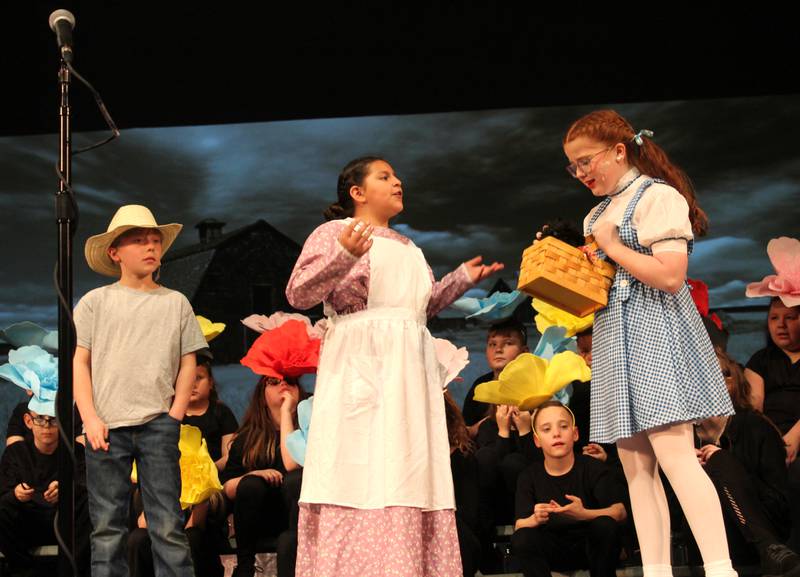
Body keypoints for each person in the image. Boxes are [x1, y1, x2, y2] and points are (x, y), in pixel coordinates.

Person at [286, 156, 503, 576]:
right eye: (385, 176)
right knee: (359, 471)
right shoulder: (334, 233)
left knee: (408, 467)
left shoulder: (408, 247)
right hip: (362, 367)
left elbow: (416, 311)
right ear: (357, 192)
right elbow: (298, 293)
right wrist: (343, 256)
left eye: (397, 176)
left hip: (408, 372)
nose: (398, 182)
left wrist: (459, 280)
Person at [562, 110, 736, 577]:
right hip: (616, 340)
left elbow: (672, 275)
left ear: (619, 151)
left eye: (586, 161)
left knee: (676, 458)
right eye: (572, 166)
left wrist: (613, 248)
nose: (581, 173)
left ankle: (721, 569)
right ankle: (656, 572)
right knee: (637, 470)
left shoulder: (657, 197)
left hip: (657, 332)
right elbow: (603, 286)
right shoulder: (596, 214)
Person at [73, 205, 208, 577]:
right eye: (138, 241)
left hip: (157, 425)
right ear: (115, 252)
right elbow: (80, 362)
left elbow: (187, 362)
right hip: (107, 429)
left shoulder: (175, 302)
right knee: (107, 531)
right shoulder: (95, 303)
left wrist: (175, 415)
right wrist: (90, 418)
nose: (150, 247)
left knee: (167, 526)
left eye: (154, 241)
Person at [694, 348, 800, 576]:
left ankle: (767, 547)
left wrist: (726, 467)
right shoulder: (681, 441)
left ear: (733, 383)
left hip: (764, 531)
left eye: (719, 375)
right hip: (709, 539)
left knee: (718, 459)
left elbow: (779, 505)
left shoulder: (756, 427)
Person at [512, 401, 627, 577]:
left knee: (605, 525)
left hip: (590, 546)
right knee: (523, 538)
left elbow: (619, 511)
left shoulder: (592, 467)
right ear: (537, 440)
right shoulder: (529, 476)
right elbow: (520, 525)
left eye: (563, 426)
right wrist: (535, 518)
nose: (556, 434)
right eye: (547, 429)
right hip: (552, 548)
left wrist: (583, 514)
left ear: (575, 434)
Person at [0, 408, 91, 577]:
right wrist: (15, 495)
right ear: (28, 421)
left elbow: (86, 487)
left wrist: (68, 490)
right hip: (29, 523)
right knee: (4, 507)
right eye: (40, 420)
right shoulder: (16, 452)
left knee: (89, 504)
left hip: (66, 524)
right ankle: (25, 572)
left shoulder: (75, 452)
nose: (46, 427)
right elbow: (4, 492)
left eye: (53, 420)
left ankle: (74, 572)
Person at [744, 297, 800, 463]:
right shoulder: (761, 359)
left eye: (789, 317)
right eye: (774, 317)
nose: (781, 324)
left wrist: (795, 437)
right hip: (770, 436)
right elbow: (754, 405)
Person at [183, 359, 238, 470]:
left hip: (216, 476)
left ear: (211, 383)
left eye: (198, 378)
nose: (192, 384)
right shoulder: (171, 416)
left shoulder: (222, 412)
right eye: (186, 378)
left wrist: (207, 472)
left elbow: (229, 456)